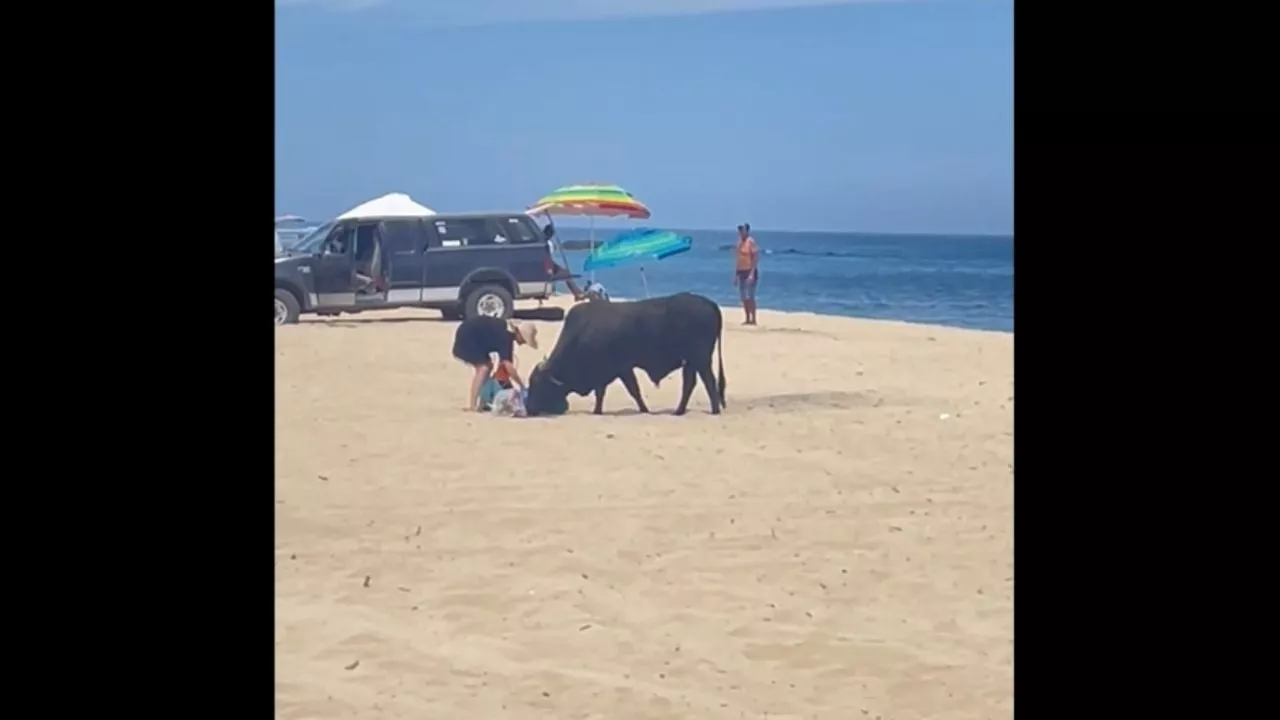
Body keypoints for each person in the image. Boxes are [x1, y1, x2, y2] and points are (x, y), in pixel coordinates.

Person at [451, 316, 539, 412]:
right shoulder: (506, 337)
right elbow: (507, 365)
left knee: (488, 366)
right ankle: (472, 405)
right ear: (519, 334)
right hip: (468, 336)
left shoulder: (507, 333)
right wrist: (521, 384)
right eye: (524, 340)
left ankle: (482, 402)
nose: (523, 343)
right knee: (483, 368)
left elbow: (505, 363)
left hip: (474, 336)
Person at [732, 223, 760, 325]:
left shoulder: (751, 242)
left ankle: (753, 318)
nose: (741, 232)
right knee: (743, 297)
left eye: (742, 230)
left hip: (749, 271)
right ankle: (747, 318)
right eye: (739, 230)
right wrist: (735, 275)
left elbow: (755, 257)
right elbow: (738, 259)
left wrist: (752, 273)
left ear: (747, 231)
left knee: (750, 296)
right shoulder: (739, 243)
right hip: (741, 272)